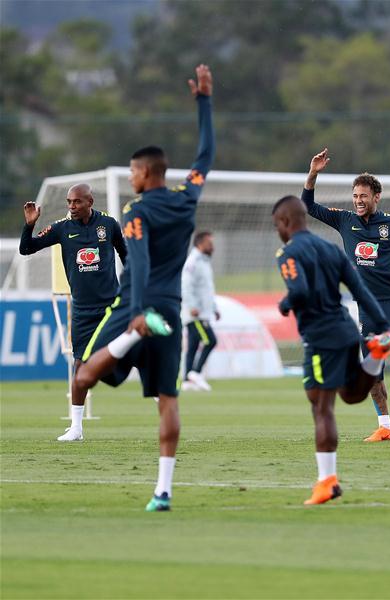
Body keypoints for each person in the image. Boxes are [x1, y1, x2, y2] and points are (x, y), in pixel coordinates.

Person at [71, 64, 215, 511]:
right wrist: (204, 103)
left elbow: (140, 261)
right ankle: (163, 491)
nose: (130, 178)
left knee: (84, 374)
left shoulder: (135, 212)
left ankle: (132, 335)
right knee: (168, 399)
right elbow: (205, 155)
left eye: (133, 172)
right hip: (171, 311)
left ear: (143, 172)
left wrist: (135, 313)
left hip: (137, 307)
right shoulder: (186, 196)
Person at [301, 148, 390, 442]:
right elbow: (308, 205)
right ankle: (385, 426)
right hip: (368, 307)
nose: (358, 201)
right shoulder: (344, 220)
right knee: (372, 371)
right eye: (355, 196)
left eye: (363, 196)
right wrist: (313, 173)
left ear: (376, 197)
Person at [272, 195, 390, 505]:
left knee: (321, 406)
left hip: (320, 336)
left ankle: (327, 481)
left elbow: (298, 290)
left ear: (285, 223)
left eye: (277, 226)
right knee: (351, 394)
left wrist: (286, 302)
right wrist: (381, 326)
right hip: (345, 329)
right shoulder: (331, 249)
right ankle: (376, 355)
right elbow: (359, 289)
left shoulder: (288, 252)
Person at [19, 184, 128, 441]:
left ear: (90, 201)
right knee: (79, 365)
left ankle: (160, 393)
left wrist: (133, 291)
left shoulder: (109, 225)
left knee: (130, 352)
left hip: (110, 306)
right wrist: (30, 225)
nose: (71, 207)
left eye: (76, 202)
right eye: (69, 202)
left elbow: (127, 256)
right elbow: (26, 248)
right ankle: (76, 428)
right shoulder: (61, 228)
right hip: (82, 310)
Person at [181, 230, 219, 391]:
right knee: (211, 340)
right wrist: (192, 306)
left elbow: (206, 289)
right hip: (195, 313)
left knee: (193, 346)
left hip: (203, 311)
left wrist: (214, 308)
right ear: (200, 244)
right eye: (209, 243)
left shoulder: (204, 261)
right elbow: (186, 285)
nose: (213, 247)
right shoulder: (193, 261)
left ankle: (187, 380)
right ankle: (195, 372)